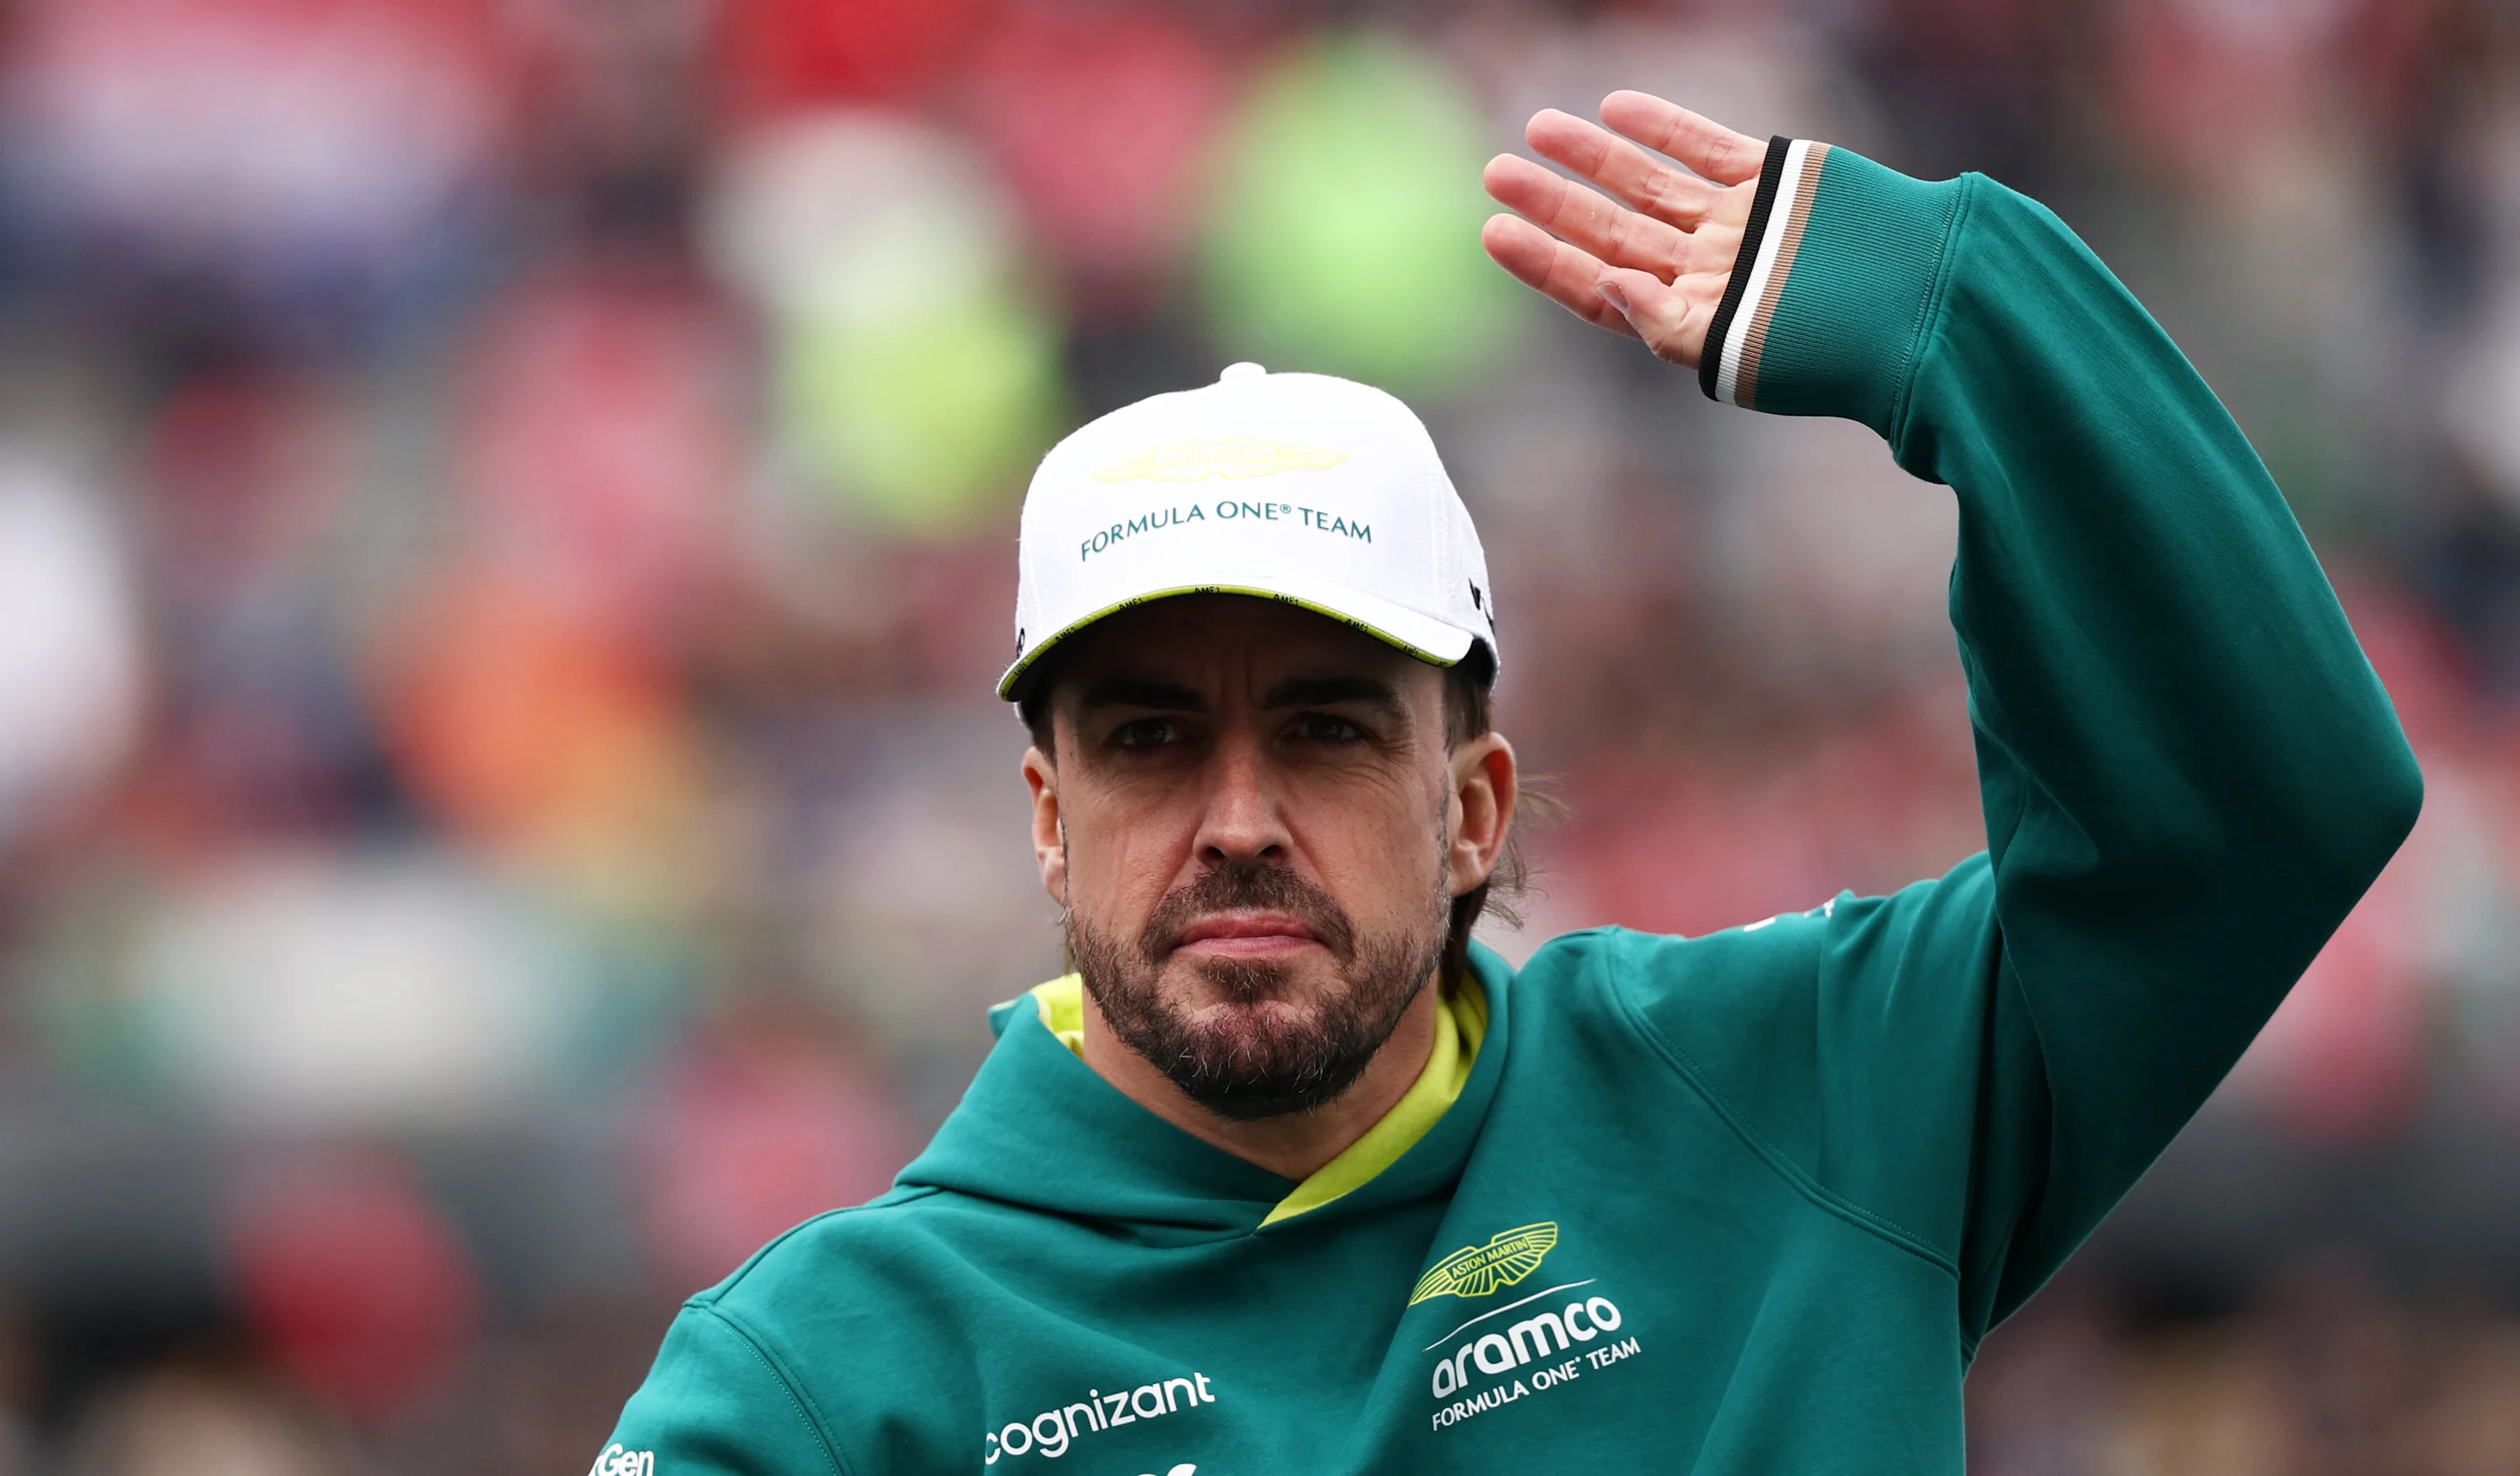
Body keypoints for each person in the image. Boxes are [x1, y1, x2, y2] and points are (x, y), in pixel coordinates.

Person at [598, 92, 2419, 1474]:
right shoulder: (822, 1385)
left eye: (1324, 726)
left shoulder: (1804, 1093)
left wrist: (1962, 310)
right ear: (1048, 815)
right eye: (1149, 739)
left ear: (1472, 808)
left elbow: (2267, 809)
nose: (1237, 815)